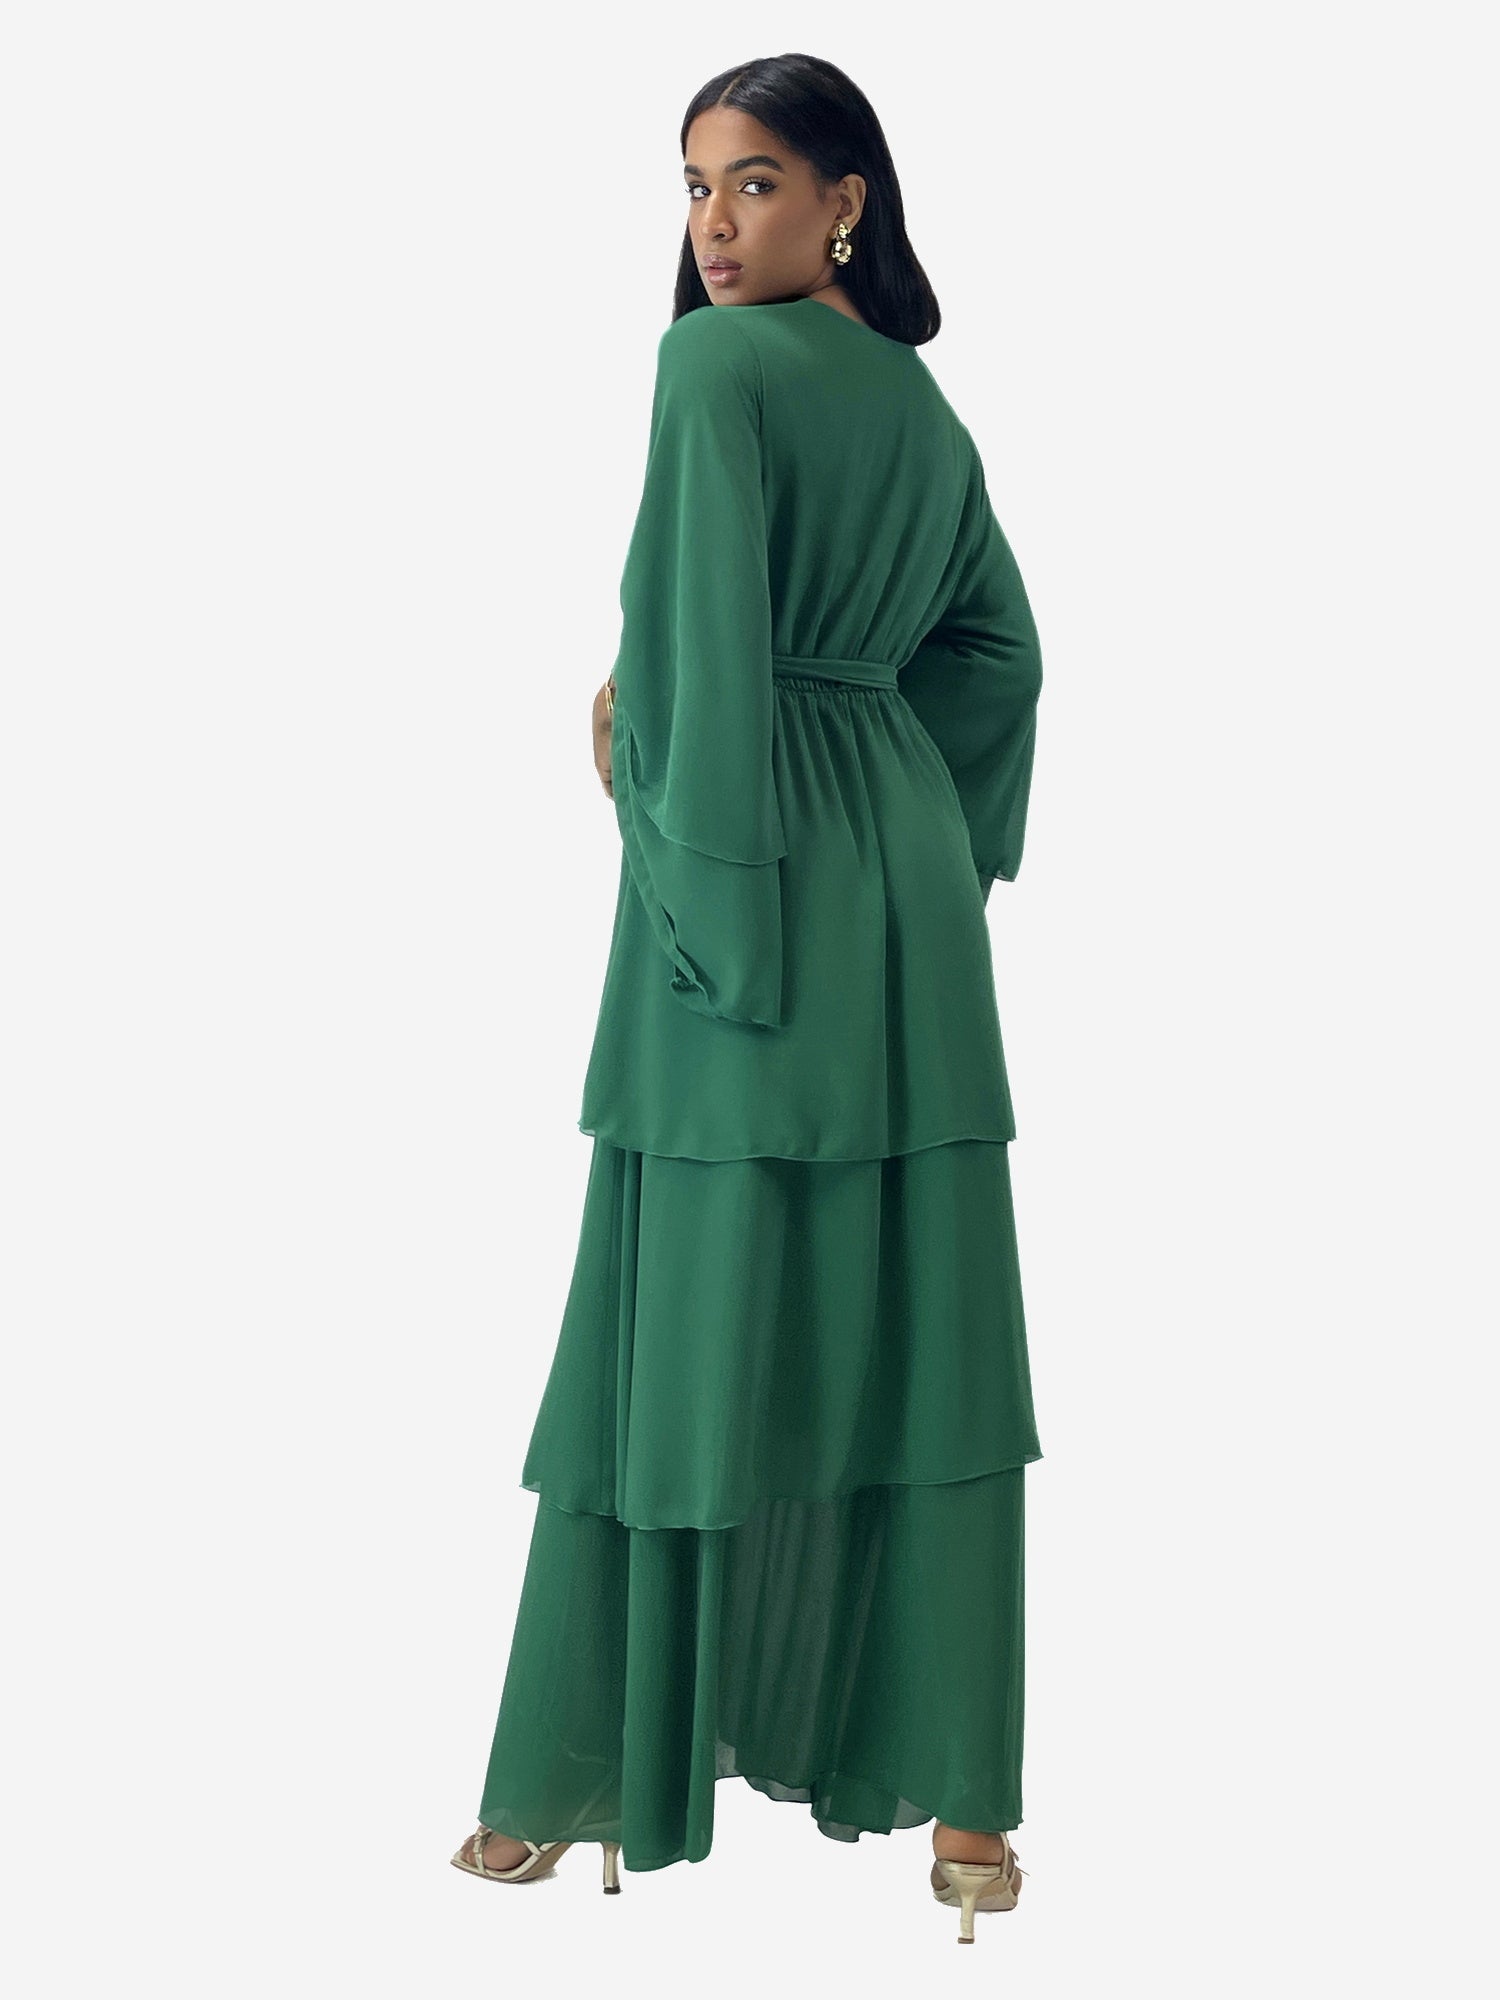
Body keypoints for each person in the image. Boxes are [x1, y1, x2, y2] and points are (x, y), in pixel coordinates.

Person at [450, 51, 1044, 1945]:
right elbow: (1004, 658)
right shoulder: (922, 403)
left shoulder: (710, 370)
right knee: (921, 1322)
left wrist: (649, 774)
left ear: (848, 199)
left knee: (677, 1311)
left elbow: (696, 650)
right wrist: (912, 813)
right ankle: (969, 1825)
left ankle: (579, 1781)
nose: (715, 224)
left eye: (758, 182)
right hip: (904, 904)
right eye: (695, 186)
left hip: (748, 879)